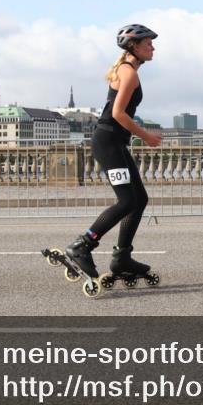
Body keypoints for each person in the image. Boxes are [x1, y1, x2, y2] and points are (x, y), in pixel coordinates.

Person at [46, 24, 163, 296]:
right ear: (134, 46)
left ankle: (122, 258)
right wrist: (146, 136)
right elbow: (120, 114)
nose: (153, 47)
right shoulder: (128, 73)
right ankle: (82, 245)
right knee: (127, 201)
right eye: (148, 43)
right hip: (109, 142)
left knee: (139, 199)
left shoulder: (125, 68)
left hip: (114, 142)